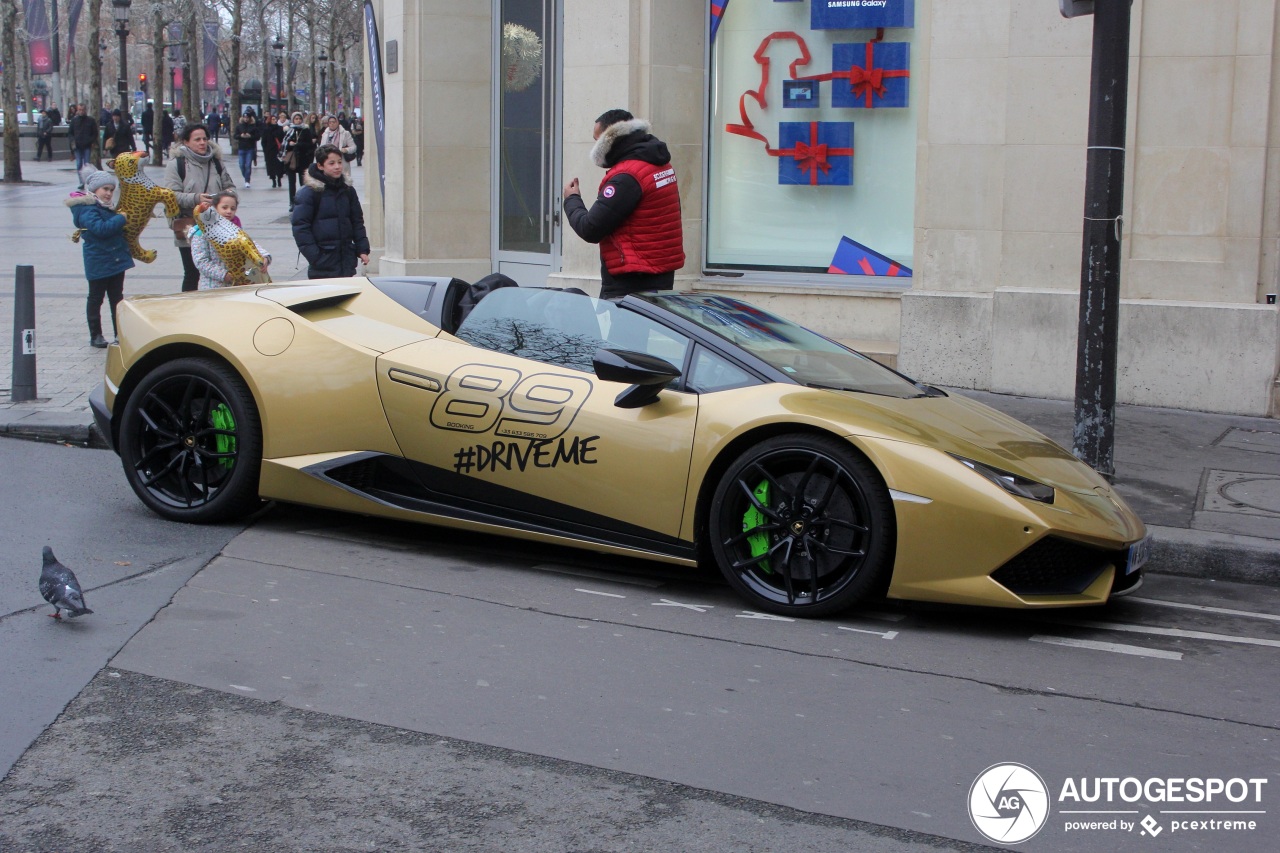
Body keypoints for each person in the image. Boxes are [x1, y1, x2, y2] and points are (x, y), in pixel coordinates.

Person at [562, 109, 684, 300]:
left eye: (597, 141)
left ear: (609, 140)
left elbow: (590, 228)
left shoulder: (627, 176)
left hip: (631, 278)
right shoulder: (658, 163)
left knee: (622, 331)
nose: (595, 148)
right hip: (659, 272)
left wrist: (572, 199)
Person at [164, 123, 237, 292]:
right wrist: (196, 199)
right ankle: (188, 308)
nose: (202, 143)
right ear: (186, 142)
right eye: (197, 139)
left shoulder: (216, 163)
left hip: (218, 226)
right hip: (190, 225)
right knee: (192, 272)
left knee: (218, 269)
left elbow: (230, 187)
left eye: (205, 138)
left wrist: (222, 199)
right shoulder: (176, 164)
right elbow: (170, 195)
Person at [65, 168, 134, 348]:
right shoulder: (87, 210)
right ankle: (96, 335)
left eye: (111, 190)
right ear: (94, 190)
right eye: (105, 189)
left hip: (116, 260)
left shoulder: (106, 208)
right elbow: (101, 229)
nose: (109, 193)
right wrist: (121, 219)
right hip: (98, 261)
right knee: (96, 298)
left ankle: (120, 333)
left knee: (117, 298)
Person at [291, 144, 370, 279]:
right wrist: (316, 257)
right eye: (331, 163)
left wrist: (362, 248)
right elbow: (301, 228)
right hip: (322, 261)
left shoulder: (348, 190)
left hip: (346, 259)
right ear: (320, 166)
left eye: (339, 162)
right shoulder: (309, 193)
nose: (337, 166)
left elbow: (357, 221)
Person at [189, 191, 271, 289]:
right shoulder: (201, 232)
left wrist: (264, 256)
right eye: (224, 207)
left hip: (239, 284)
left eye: (233, 208)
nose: (229, 211)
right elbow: (201, 261)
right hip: (214, 286)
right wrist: (223, 274)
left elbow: (250, 244)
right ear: (214, 208)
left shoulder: (235, 228)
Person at [280, 111, 316, 211]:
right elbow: (283, 145)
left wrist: (297, 145)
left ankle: (303, 200)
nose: (298, 120)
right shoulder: (288, 130)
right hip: (291, 160)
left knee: (303, 182)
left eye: (299, 119)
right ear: (292, 120)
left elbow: (309, 145)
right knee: (292, 182)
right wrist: (289, 144)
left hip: (303, 159)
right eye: (296, 119)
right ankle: (292, 202)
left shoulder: (306, 130)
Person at [319, 114, 357, 181]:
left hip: (341, 161)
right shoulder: (325, 134)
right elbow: (321, 147)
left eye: (334, 122)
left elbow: (354, 147)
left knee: (343, 181)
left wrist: (346, 150)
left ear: (337, 122)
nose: (332, 124)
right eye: (330, 122)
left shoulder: (345, 133)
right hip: (328, 161)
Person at [69, 105, 97, 179]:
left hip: (87, 145)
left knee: (86, 164)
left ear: (85, 110)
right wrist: (72, 141)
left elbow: (95, 133)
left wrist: (90, 141)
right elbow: (70, 133)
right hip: (77, 146)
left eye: (83, 110)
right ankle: (81, 180)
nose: (81, 111)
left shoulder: (91, 120)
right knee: (79, 164)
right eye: (80, 110)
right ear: (77, 110)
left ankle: (86, 179)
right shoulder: (74, 120)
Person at [234, 112, 260, 188]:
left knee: (248, 165)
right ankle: (245, 176)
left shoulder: (253, 127)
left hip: (250, 148)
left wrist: (250, 136)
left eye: (247, 118)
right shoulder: (239, 126)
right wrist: (240, 136)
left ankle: (247, 180)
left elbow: (257, 137)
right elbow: (235, 136)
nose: (246, 119)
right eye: (244, 117)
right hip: (241, 147)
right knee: (241, 165)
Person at [260, 112, 285, 188]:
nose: (274, 120)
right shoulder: (266, 129)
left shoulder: (280, 129)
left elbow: (283, 139)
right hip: (270, 151)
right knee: (271, 166)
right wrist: (265, 149)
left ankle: (279, 179)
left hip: (278, 150)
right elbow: (263, 141)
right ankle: (273, 180)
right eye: (273, 119)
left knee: (279, 166)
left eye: (275, 119)